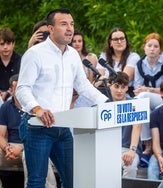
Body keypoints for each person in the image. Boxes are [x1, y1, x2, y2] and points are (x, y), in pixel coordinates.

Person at [16, 8, 108, 188]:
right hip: (37, 126)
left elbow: (83, 85)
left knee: (74, 180)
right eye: (63, 24)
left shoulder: (73, 54)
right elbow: (22, 89)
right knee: (36, 182)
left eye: (72, 24)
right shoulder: (35, 54)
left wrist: (106, 103)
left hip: (63, 126)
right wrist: (37, 109)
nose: (70, 29)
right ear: (50, 28)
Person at [0, 74, 57, 188]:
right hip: (11, 147)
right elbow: (1, 135)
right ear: (11, 91)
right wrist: (7, 148)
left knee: (30, 154)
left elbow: (43, 136)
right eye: (17, 89)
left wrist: (20, 148)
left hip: (34, 144)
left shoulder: (39, 108)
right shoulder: (6, 107)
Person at [133, 33, 163, 155]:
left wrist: (147, 90)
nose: (152, 49)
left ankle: (148, 143)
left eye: (156, 46)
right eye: (149, 45)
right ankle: (148, 144)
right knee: (143, 106)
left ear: (160, 49)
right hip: (147, 99)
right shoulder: (140, 64)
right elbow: (137, 86)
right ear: (144, 47)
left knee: (142, 98)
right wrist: (143, 90)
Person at [108, 71, 142, 177]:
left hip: (128, 147)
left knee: (130, 166)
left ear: (127, 88)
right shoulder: (104, 104)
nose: (119, 91)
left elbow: (137, 127)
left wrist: (132, 151)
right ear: (109, 85)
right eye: (116, 86)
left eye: (123, 87)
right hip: (108, 148)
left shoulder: (134, 104)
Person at [97, 27, 140, 97]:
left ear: (126, 41)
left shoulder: (133, 57)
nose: (119, 42)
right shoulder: (103, 56)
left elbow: (124, 79)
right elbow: (98, 78)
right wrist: (103, 80)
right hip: (106, 92)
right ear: (110, 43)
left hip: (125, 93)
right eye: (116, 39)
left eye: (122, 38)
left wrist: (105, 78)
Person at [0, 27, 21, 101]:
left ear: (13, 44)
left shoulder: (21, 61)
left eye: (8, 43)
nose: (5, 47)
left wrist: (7, 93)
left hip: (15, 99)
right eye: (2, 44)